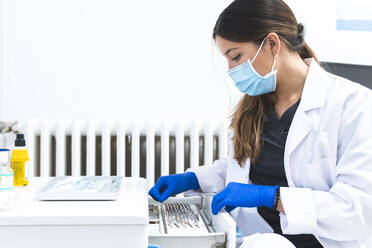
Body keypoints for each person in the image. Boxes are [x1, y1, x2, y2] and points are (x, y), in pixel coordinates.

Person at [149, 0, 372, 247]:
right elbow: (243, 169)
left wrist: (272, 197)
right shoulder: (255, 107)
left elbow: (359, 208)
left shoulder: (354, 106)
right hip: (264, 239)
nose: (231, 70)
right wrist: (193, 179)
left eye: (235, 57)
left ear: (272, 44)